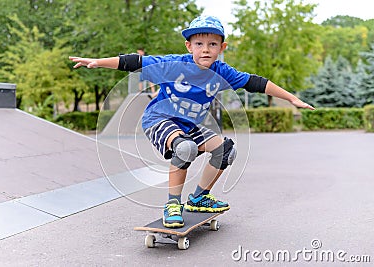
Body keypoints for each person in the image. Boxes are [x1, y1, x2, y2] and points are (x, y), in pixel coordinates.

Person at [69, 15, 315, 228]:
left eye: (212, 44)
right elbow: (135, 62)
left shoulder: (222, 71)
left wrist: (292, 99)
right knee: (185, 148)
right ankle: (173, 205)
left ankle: (199, 197)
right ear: (189, 46)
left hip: (189, 125)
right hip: (158, 119)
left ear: (222, 47)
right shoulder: (173, 65)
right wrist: (98, 62)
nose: (205, 49)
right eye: (199, 44)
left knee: (225, 150)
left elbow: (257, 83)